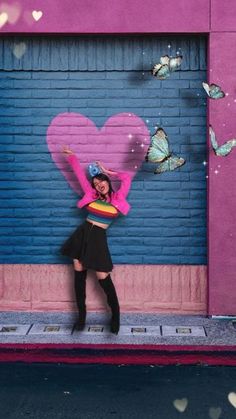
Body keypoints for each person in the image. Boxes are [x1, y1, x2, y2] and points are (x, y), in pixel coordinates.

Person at [61, 146, 131, 334]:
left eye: (102, 180)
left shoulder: (118, 198)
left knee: (103, 277)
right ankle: (81, 318)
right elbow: (79, 176)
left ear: (107, 182)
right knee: (79, 276)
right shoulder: (91, 195)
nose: (99, 184)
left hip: (98, 238)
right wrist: (73, 158)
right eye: (96, 182)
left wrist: (108, 171)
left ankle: (115, 316)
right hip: (82, 235)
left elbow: (126, 178)